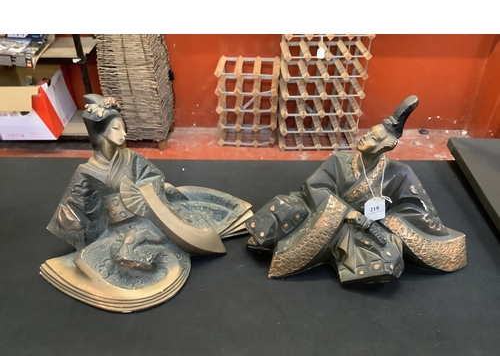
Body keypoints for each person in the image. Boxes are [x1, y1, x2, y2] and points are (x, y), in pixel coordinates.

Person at [42, 94, 252, 311]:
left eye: (124, 128)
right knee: (111, 256)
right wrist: (78, 221)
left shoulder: (130, 157)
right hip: (115, 228)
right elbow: (78, 208)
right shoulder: (86, 171)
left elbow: (153, 177)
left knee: (181, 225)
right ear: (101, 132)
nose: (124, 134)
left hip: (146, 214)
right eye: (117, 129)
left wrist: (147, 193)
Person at [245, 95, 466, 284]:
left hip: (363, 227)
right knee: (285, 207)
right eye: (368, 133)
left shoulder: (400, 173)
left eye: (373, 139)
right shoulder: (339, 160)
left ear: (385, 147)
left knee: (383, 252)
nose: (365, 138)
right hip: (326, 215)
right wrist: (347, 212)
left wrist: (384, 220)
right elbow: (313, 187)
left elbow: (418, 210)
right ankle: (267, 243)